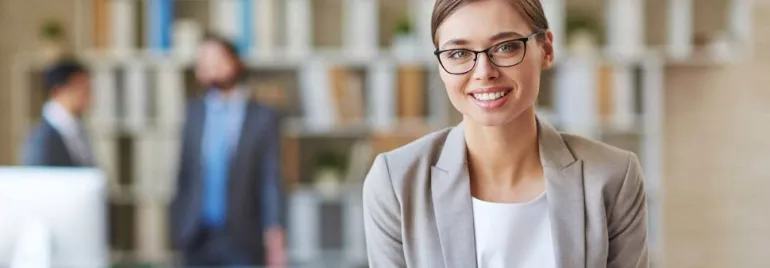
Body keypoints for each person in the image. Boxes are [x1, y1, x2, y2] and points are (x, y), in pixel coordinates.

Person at [362, 0, 649, 267]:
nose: (484, 71)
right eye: (459, 53)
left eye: (506, 47)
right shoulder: (397, 182)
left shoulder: (613, 176)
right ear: (440, 65)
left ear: (546, 50)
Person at [170, 34, 286, 267]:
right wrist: (176, 227)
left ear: (235, 62)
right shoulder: (193, 113)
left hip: (242, 236)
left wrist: (276, 238)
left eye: (216, 58)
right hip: (196, 235)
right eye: (203, 61)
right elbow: (184, 175)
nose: (209, 66)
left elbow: (270, 180)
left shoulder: (262, 117)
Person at [21, 59, 94, 167]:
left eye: (88, 88)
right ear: (57, 90)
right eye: (80, 87)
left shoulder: (76, 128)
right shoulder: (42, 138)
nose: (87, 94)